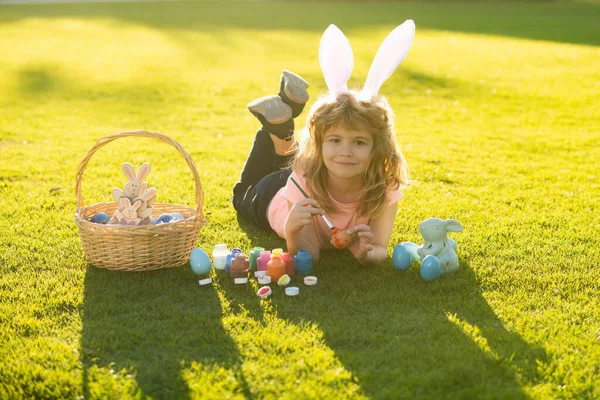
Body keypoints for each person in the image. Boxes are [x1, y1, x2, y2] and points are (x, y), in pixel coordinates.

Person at [233, 20, 415, 265]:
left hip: (302, 174)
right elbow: (309, 256)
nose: (345, 152)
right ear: (319, 143)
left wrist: (367, 254)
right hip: (268, 194)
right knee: (241, 192)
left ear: (377, 147)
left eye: (359, 142)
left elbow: (380, 247)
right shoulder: (302, 183)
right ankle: (276, 130)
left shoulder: (384, 187)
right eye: (335, 140)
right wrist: (293, 229)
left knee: (290, 166)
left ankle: (283, 127)